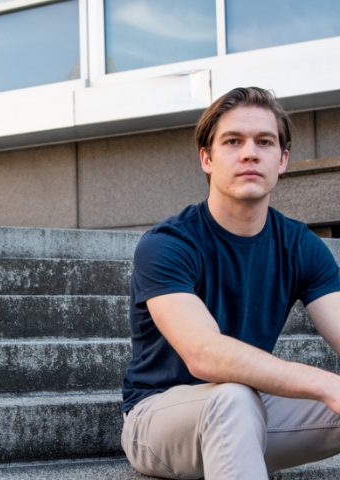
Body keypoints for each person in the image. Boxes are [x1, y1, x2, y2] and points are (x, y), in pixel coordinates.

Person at [120, 86, 340, 479]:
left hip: (250, 410)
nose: (250, 152)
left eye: (265, 142)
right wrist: (322, 383)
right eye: (233, 141)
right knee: (232, 399)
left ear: (283, 159)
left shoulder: (300, 245)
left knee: (240, 399)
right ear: (207, 158)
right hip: (158, 419)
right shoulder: (169, 243)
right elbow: (204, 354)